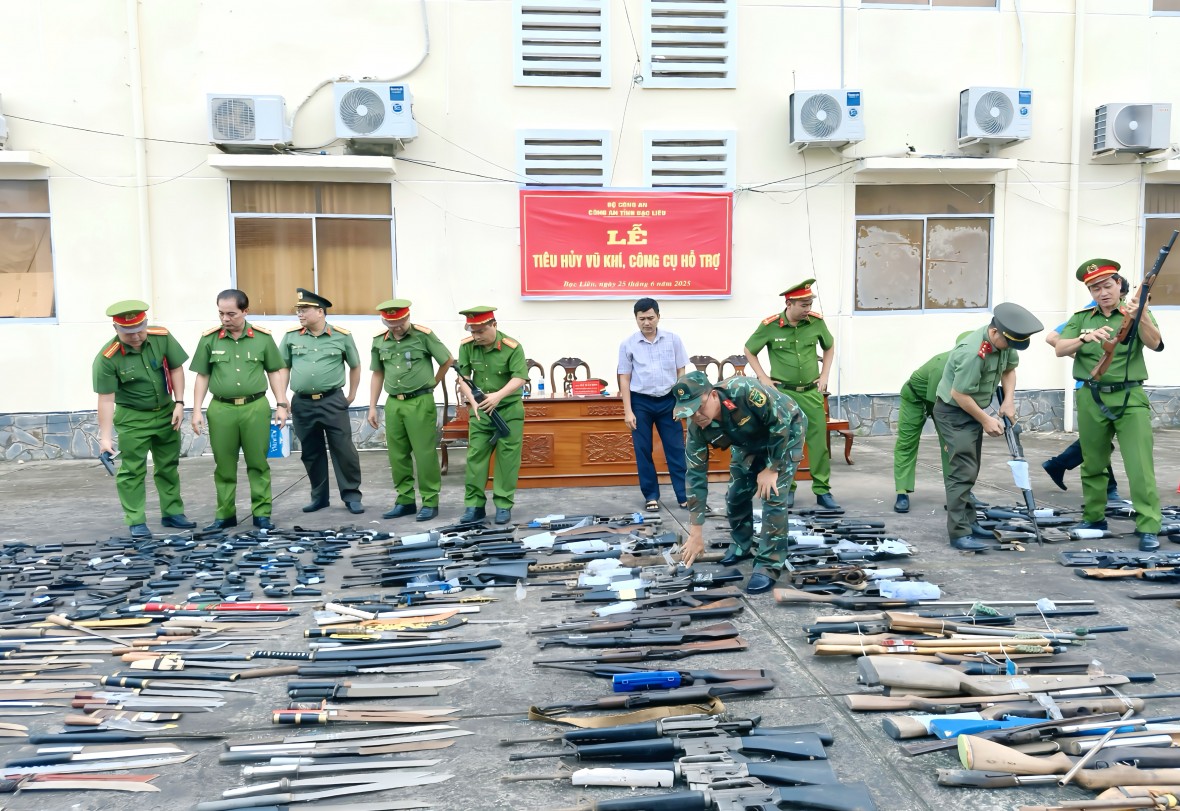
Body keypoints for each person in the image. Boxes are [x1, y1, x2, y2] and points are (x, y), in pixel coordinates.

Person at [1056, 258, 1164, 552]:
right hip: (1091, 396)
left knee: (1139, 465)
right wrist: (1083, 337)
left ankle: (1149, 525)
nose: (1102, 293)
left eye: (1106, 285)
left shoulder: (1137, 312)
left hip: (1130, 398)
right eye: (1094, 288)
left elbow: (1155, 343)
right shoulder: (1082, 317)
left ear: (1119, 284)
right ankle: (1094, 519)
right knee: (1093, 463)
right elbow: (1059, 348)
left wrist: (1140, 314)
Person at [674, 371, 806, 595]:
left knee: (772, 495)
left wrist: (772, 468)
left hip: (786, 431)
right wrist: (695, 532)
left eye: (699, 407)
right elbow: (695, 475)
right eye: (689, 412)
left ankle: (769, 564)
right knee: (735, 496)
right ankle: (742, 545)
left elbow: (780, 423)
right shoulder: (698, 426)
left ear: (713, 395)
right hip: (748, 442)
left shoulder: (743, 391)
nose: (696, 415)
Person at [932, 302, 1043, 552]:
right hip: (954, 412)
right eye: (1010, 342)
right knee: (962, 471)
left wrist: (1008, 401)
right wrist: (985, 419)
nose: (1011, 347)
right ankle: (958, 532)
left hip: (973, 409)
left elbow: (1010, 369)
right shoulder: (973, 352)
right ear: (995, 333)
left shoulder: (1004, 340)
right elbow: (959, 394)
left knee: (971, 467)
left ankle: (970, 522)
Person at [92, 300, 193, 538]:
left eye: (140, 329)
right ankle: (136, 519)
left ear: (146, 323)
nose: (136, 336)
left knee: (168, 465)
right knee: (132, 471)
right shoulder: (107, 358)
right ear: (116, 329)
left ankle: (172, 513)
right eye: (128, 333)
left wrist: (179, 403)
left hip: (167, 413)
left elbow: (176, 368)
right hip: (133, 418)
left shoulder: (161, 337)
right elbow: (106, 399)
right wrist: (104, 437)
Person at [190, 289, 287, 532]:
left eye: (231, 314)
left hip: (255, 407)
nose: (225, 319)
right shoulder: (209, 339)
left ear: (245, 311)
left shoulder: (263, 338)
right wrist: (196, 410)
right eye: (221, 313)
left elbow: (274, 372)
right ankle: (225, 515)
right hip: (221, 409)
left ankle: (262, 514)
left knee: (258, 463)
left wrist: (282, 404)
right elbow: (202, 376)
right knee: (223, 465)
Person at [743, 278, 838, 510]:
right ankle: (787, 488)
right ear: (790, 303)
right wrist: (763, 378)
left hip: (810, 393)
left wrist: (824, 375)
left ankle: (822, 490)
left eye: (810, 304)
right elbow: (748, 349)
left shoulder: (816, 323)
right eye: (804, 305)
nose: (808, 309)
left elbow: (829, 346)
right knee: (784, 441)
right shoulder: (770, 326)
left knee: (818, 443)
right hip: (783, 395)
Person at [278, 288, 364, 516]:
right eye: (298, 310)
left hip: (332, 400)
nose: (300, 314)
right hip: (302, 403)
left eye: (304, 309)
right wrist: (282, 398)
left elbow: (355, 365)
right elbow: (283, 367)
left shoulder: (341, 336)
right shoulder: (291, 336)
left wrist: (352, 394)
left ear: (320, 311)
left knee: (344, 450)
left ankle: (352, 496)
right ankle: (319, 497)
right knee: (311, 452)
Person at [368, 298, 454, 522]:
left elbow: (447, 360)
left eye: (399, 322)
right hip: (393, 403)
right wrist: (372, 406)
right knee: (397, 454)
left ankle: (429, 501)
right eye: (391, 323)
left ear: (407, 317)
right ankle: (405, 500)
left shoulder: (423, 336)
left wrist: (433, 383)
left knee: (424, 454)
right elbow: (377, 373)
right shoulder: (380, 341)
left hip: (419, 401)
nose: (396, 327)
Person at [1041, 292, 1123, 502]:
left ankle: (1058, 464)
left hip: (1115, 386)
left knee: (1099, 438)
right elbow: (1052, 337)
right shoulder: (1088, 313)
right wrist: (1082, 356)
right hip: (1091, 386)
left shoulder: (1122, 313)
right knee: (1098, 439)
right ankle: (1108, 489)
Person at [455, 306, 527, 525]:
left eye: (480, 331)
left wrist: (498, 396)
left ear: (493, 325)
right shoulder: (467, 346)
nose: (475, 336)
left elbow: (520, 378)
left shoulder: (512, 347)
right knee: (476, 458)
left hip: (508, 411)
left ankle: (503, 505)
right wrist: (472, 399)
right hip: (481, 413)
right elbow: (463, 377)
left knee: (507, 460)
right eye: (472, 331)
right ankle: (474, 506)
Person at [617, 297, 690, 513]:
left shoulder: (673, 340)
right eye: (642, 319)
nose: (646, 323)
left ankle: (684, 496)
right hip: (641, 402)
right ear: (636, 319)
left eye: (650, 318)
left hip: (669, 401)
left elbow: (681, 372)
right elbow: (625, 379)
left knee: (676, 449)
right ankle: (651, 495)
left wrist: (680, 403)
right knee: (643, 450)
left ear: (658, 316)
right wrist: (628, 411)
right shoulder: (628, 344)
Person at [892, 331, 971, 514]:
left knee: (953, 446)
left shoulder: (972, 366)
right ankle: (902, 492)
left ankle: (959, 493)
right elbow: (937, 405)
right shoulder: (942, 366)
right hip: (916, 397)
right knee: (907, 443)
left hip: (943, 401)